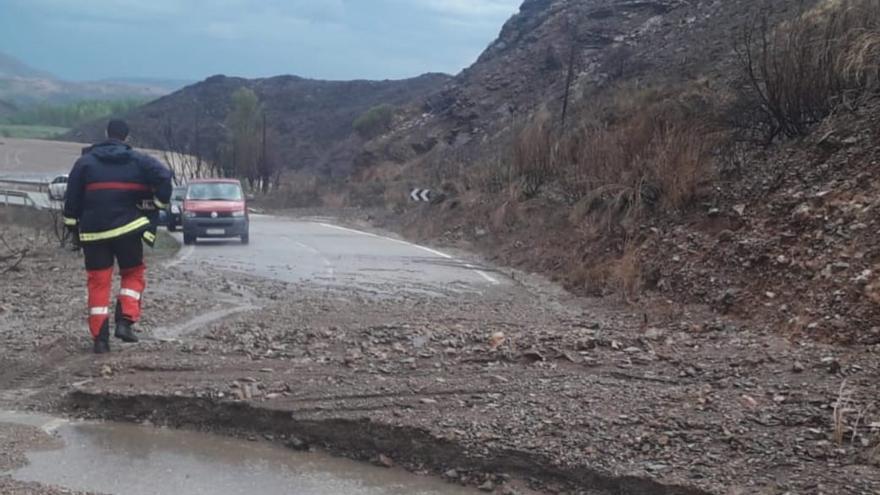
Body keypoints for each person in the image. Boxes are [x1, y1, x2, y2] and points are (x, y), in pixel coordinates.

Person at [63, 119, 172, 354]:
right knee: (132, 274)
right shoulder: (138, 160)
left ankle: (100, 340)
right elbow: (164, 175)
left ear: (105, 134)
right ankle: (125, 322)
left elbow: (71, 199)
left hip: (94, 233)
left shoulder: (85, 163)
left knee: (98, 281)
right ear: (127, 137)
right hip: (128, 230)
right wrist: (157, 204)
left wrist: (72, 228)